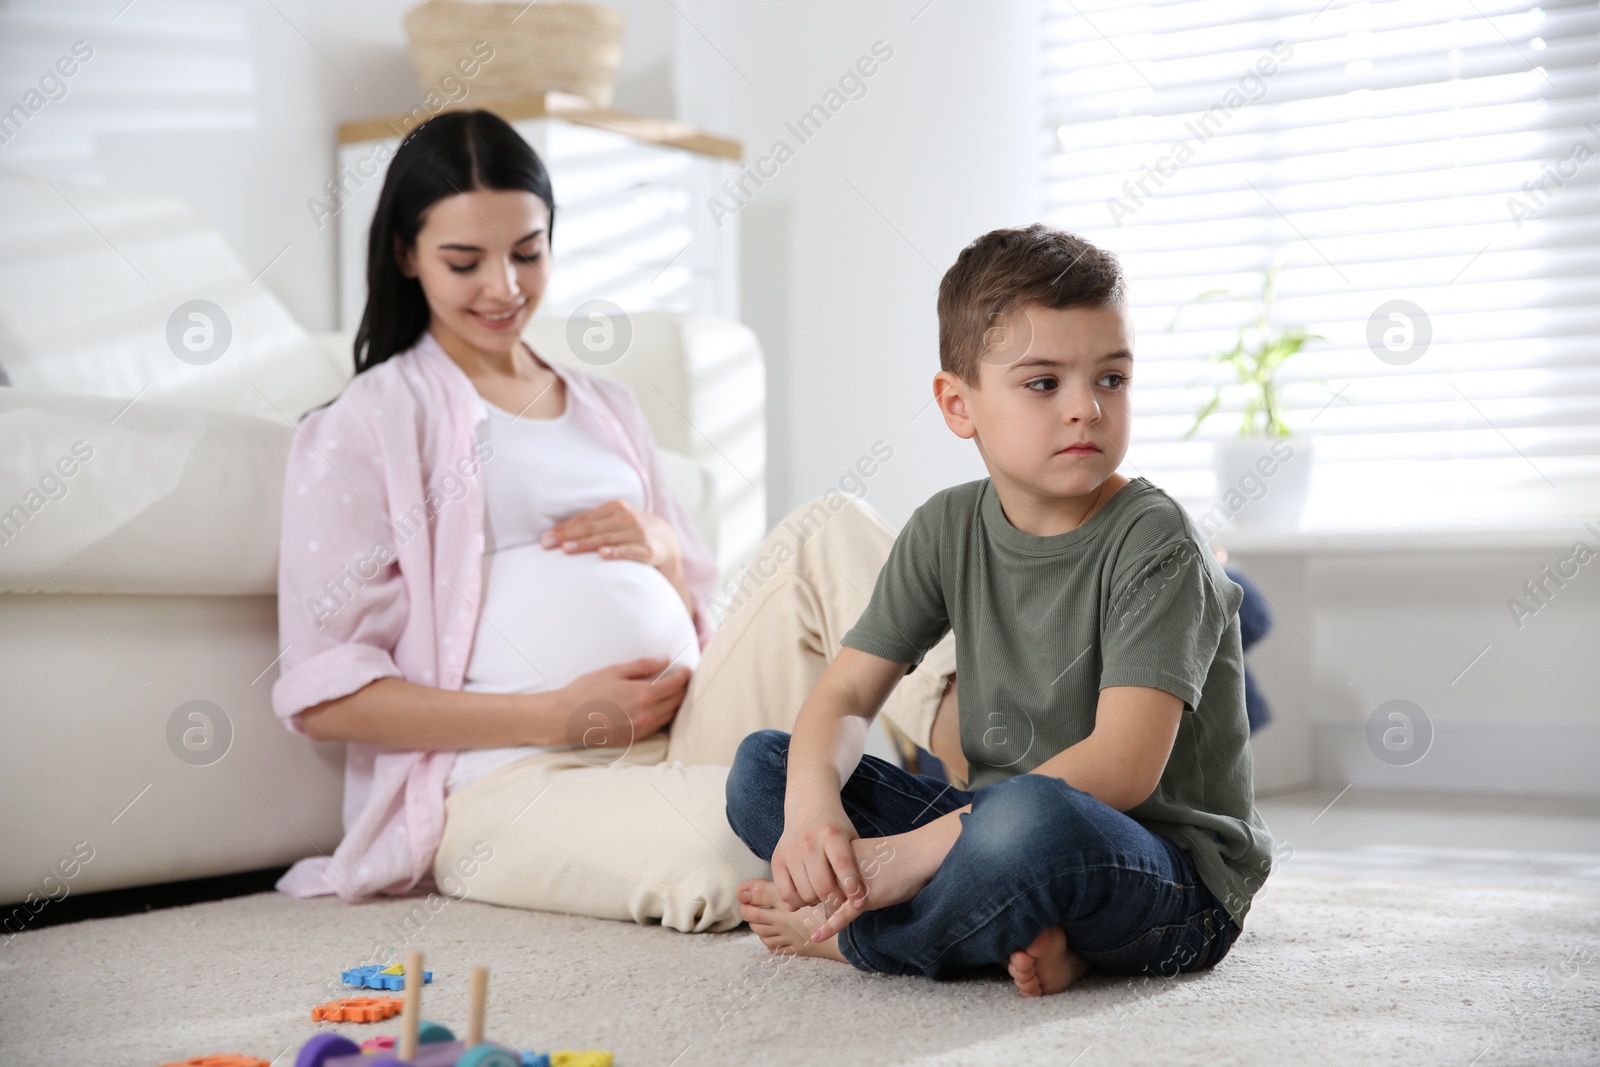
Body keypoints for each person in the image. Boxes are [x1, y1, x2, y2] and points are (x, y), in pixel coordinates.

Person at [269, 109, 960, 932]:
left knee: (829, 525)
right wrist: (553, 715)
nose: (505, 287)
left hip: (690, 724)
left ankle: (991, 763)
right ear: (404, 254)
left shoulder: (608, 406)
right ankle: (947, 850)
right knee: (726, 845)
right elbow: (327, 695)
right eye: (466, 261)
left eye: (528, 251)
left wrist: (666, 551)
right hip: (514, 776)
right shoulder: (366, 422)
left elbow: (706, 606)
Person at [724, 223, 1276, 995]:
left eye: (1111, 379)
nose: (1085, 408)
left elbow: (1121, 766)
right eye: (1044, 383)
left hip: (1170, 877)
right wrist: (814, 808)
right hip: (994, 834)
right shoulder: (946, 526)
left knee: (1030, 822)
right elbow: (847, 694)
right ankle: (1030, 934)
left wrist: (914, 853)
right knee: (765, 768)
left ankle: (859, 940)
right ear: (959, 404)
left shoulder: (1158, 537)